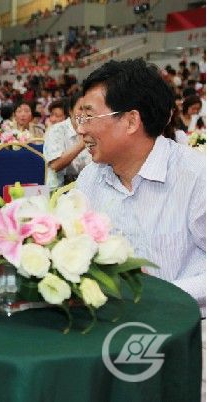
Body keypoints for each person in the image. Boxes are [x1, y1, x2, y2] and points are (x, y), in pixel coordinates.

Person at [75, 58, 205, 316]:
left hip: (190, 325)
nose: (80, 129)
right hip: (112, 322)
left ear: (131, 121)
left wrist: (155, 295)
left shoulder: (196, 176)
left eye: (89, 117)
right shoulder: (90, 178)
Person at [43, 94, 91, 190]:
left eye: (89, 109)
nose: (84, 114)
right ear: (70, 111)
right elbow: (55, 165)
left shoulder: (95, 130)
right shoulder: (56, 130)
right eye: (81, 109)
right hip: (60, 188)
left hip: (88, 187)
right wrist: (82, 143)